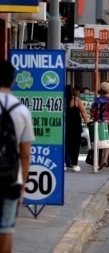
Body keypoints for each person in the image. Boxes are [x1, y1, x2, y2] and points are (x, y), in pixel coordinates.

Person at [0, 60, 34, 253]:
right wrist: (22, 186)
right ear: (13, 81)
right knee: (6, 228)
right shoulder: (22, 111)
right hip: (10, 179)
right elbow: (26, 154)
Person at [65, 85, 88, 172]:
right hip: (75, 126)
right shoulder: (76, 100)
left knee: (66, 145)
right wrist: (86, 122)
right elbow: (83, 112)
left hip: (65, 126)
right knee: (75, 145)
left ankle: (64, 163)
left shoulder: (62, 100)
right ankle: (74, 164)